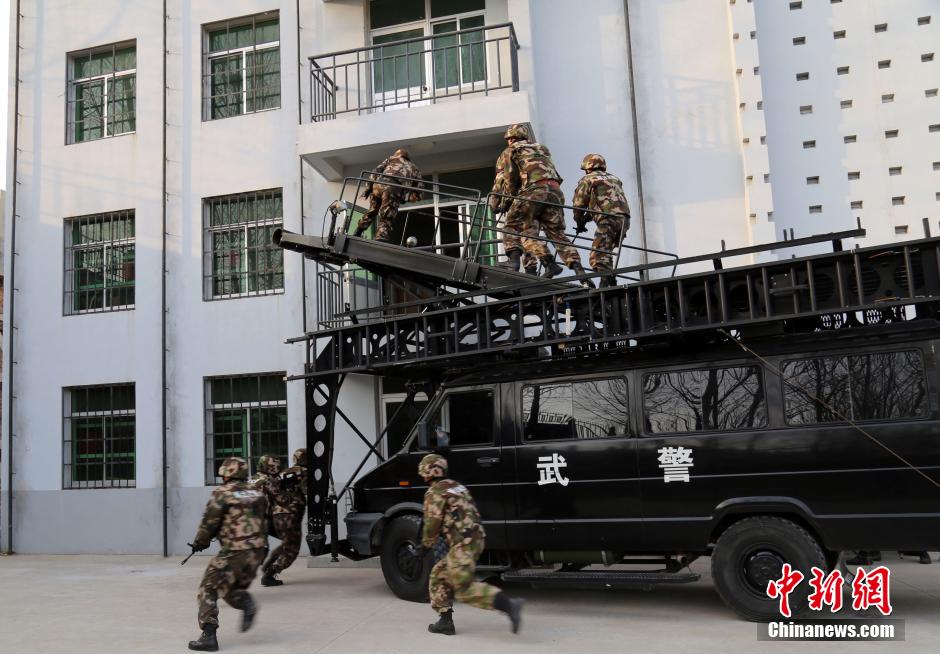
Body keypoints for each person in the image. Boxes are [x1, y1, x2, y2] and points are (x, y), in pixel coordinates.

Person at [416, 453, 524, 636]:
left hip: (463, 544)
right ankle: (445, 622)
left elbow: (432, 523)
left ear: (427, 471)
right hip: (474, 539)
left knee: (463, 588)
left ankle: (509, 605)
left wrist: (425, 546)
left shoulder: (435, 491)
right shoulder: (457, 487)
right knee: (439, 575)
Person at [489, 124, 588, 282]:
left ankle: (514, 262)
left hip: (534, 191)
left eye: (508, 139)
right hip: (555, 192)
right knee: (557, 234)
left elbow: (509, 180)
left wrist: (506, 202)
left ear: (511, 138)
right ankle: (579, 271)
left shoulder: (510, 150)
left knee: (512, 226)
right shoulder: (541, 148)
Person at [188, 457, 267, 652]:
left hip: (235, 551)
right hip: (258, 551)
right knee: (228, 588)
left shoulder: (222, 493)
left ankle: (208, 636)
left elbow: (209, 523)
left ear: (226, 473)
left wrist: (200, 542)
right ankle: (246, 603)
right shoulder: (257, 493)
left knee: (208, 589)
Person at [572, 153, 630, 287]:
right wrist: (586, 220)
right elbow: (604, 203)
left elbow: (579, 205)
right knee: (605, 253)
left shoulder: (588, 179)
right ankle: (608, 283)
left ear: (588, 167)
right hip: (624, 220)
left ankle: (607, 285)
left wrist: (579, 222)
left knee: (597, 256)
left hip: (608, 219)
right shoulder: (615, 179)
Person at [260, 448, 307, 586]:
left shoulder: (284, 472)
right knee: (292, 549)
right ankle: (270, 574)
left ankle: (270, 563)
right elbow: (306, 489)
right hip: (291, 514)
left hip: (277, 513)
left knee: (287, 542)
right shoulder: (305, 472)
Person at [354, 148, 423, 242]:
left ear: (397, 154)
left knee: (372, 210)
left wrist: (368, 188)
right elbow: (419, 190)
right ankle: (380, 238)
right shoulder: (414, 168)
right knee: (387, 216)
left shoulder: (391, 159)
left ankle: (358, 231)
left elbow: (375, 171)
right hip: (393, 189)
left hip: (378, 185)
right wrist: (408, 197)